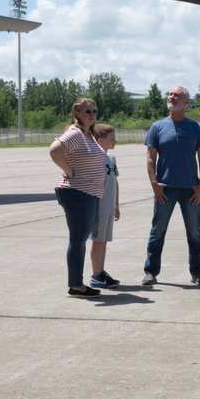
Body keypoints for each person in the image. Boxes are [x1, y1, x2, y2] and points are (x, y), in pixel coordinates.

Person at [142, 86, 200, 286]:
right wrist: (154, 184)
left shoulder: (196, 128)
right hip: (165, 189)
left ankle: (197, 272)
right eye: (170, 95)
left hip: (191, 190)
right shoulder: (158, 127)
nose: (172, 97)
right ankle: (151, 271)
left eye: (177, 95)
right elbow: (150, 159)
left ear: (186, 102)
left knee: (194, 232)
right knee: (157, 231)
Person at [49, 98, 106, 298]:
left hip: (88, 193)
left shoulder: (87, 134)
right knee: (78, 240)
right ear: (77, 113)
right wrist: (69, 170)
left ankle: (77, 284)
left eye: (94, 111)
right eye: (87, 111)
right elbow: (55, 149)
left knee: (80, 239)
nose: (91, 114)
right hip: (77, 192)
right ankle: (76, 285)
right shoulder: (75, 133)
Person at [89, 123, 121, 288]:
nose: (115, 142)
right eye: (111, 139)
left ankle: (101, 271)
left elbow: (114, 181)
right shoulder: (94, 159)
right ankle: (95, 275)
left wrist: (116, 205)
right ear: (100, 140)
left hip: (108, 207)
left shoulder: (111, 157)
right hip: (98, 208)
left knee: (104, 241)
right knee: (97, 240)